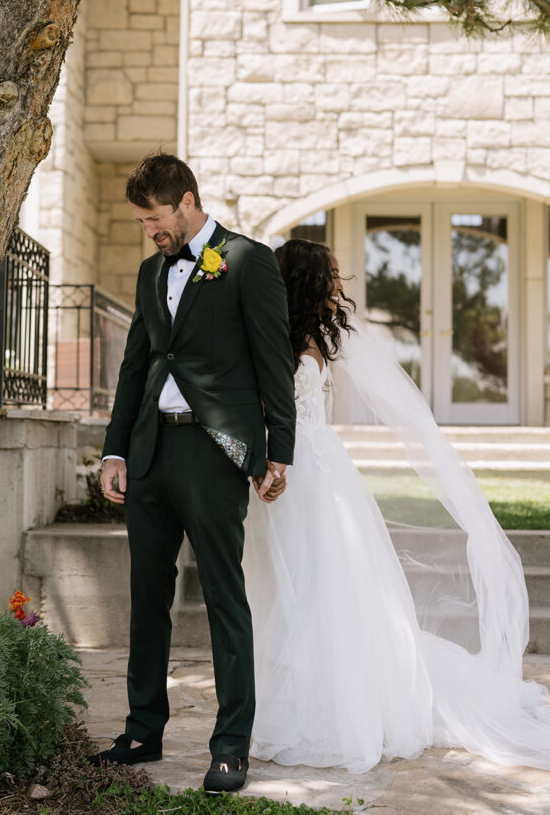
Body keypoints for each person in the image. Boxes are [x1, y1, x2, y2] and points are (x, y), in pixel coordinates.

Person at [244, 238, 550, 773]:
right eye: (330, 275)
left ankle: (324, 707)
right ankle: (287, 697)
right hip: (294, 469)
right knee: (286, 586)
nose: (338, 286)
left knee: (316, 587)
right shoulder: (285, 334)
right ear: (310, 281)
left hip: (308, 474)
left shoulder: (303, 338)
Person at [92, 154, 296, 792]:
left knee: (223, 599)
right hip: (149, 453)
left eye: (155, 218)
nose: (149, 230)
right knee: (147, 597)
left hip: (213, 453)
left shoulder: (247, 260)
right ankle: (141, 731)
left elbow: (273, 360)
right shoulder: (150, 271)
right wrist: (115, 451)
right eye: (140, 221)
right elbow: (136, 365)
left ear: (186, 203)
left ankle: (231, 746)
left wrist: (278, 450)